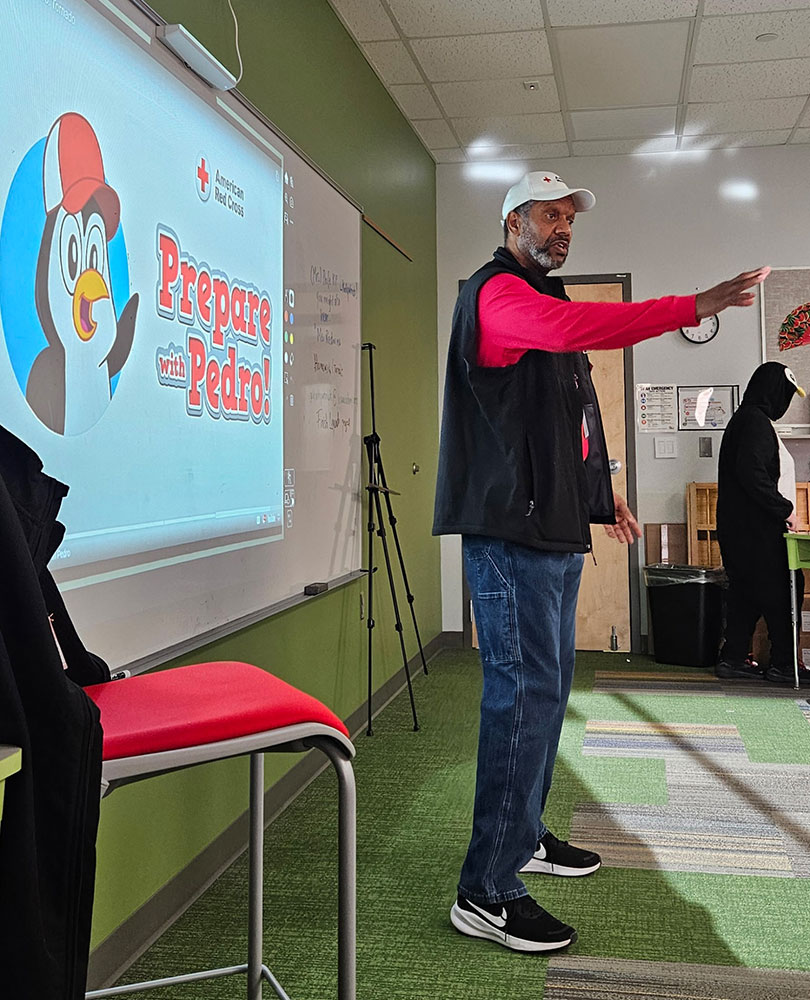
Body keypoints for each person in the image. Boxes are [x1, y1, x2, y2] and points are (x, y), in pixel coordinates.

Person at [432, 169, 770, 953]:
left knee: (548, 695)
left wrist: (600, 491)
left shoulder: (540, 299)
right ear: (512, 222)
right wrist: (693, 305)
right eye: (549, 216)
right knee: (520, 700)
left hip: (552, 530)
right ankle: (485, 889)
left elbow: (575, 411)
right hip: (509, 536)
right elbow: (578, 331)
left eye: (569, 220)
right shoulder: (496, 295)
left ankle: (523, 837)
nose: (563, 229)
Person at [715, 362, 809, 685]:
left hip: (739, 531)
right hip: (757, 532)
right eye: (786, 395)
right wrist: (786, 511)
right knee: (784, 590)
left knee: (746, 594)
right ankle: (784, 664)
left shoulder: (744, 420)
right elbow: (753, 474)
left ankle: (733, 658)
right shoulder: (755, 423)